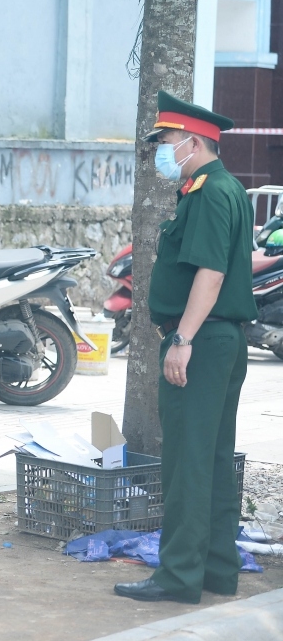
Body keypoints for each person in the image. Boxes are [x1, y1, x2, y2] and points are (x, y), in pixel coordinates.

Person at [115, 91, 255, 604]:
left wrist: (182, 339)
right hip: (220, 340)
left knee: (189, 462)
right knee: (213, 459)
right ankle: (217, 568)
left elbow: (211, 274)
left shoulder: (209, 193)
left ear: (192, 142)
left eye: (166, 141)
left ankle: (178, 577)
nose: (161, 150)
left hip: (203, 339)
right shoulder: (225, 188)